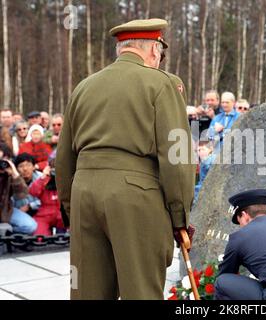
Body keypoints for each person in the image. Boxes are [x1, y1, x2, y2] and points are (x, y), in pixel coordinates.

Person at [56, 18, 195, 300]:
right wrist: (179, 217)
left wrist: (73, 207)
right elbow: (178, 158)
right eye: (161, 55)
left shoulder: (84, 86)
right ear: (154, 50)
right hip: (136, 196)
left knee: (86, 292)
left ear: (122, 49)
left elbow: (63, 160)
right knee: (140, 292)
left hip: (84, 193)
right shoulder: (163, 84)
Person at [0, 143, 37, 235]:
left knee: (30, 226)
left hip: (5, 211)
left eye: (2, 160)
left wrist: (15, 174)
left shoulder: (9, 175)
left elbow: (22, 195)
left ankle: (9, 235)